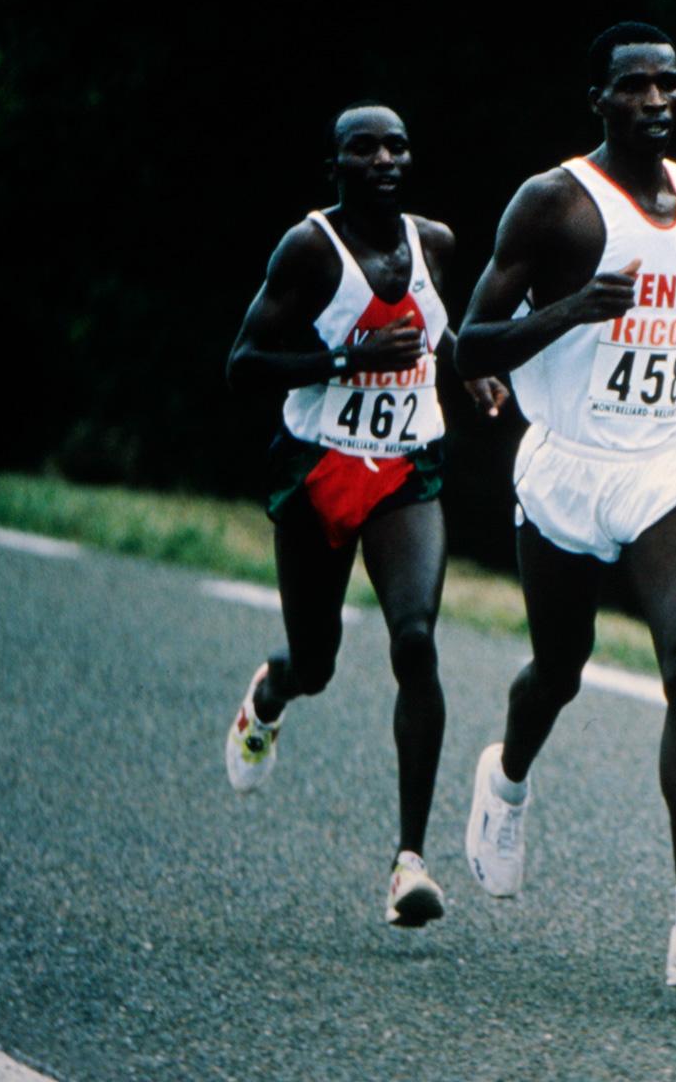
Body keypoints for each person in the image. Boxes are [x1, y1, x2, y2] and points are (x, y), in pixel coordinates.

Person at [454, 22, 676, 988]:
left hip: (665, 464)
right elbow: (469, 346)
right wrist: (572, 309)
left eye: (669, 85)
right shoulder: (553, 202)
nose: (657, 101)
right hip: (568, 464)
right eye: (635, 86)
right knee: (561, 666)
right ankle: (505, 780)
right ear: (599, 98)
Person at [224, 102, 508, 927]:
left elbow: (443, 335)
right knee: (317, 662)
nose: (384, 158)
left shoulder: (437, 244)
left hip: (405, 470)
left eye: (396, 145)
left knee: (415, 639)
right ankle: (272, 695)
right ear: (336, 163)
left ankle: (409, 863)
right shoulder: (310, 249)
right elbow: (244, 364)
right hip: (317, 468)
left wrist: (474, 374)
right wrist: (344, 358)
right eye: (364, 148)